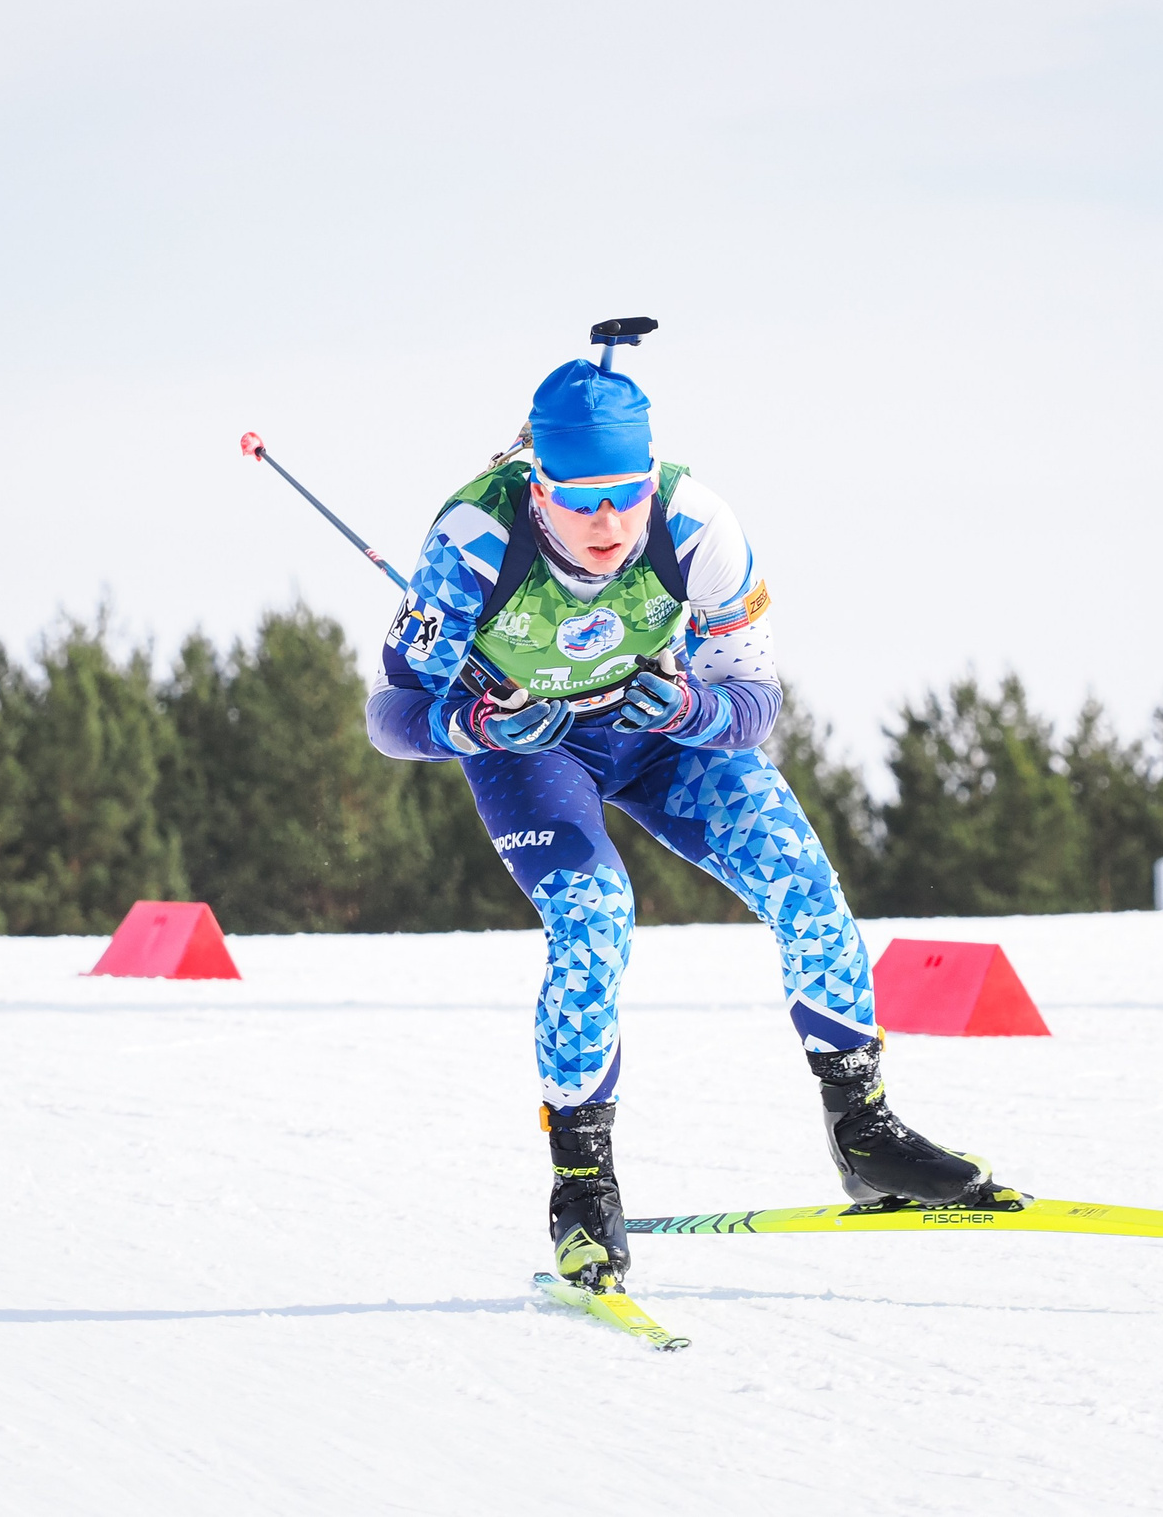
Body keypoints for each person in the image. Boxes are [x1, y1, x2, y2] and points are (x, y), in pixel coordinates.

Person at [366, 354, 998, 1294]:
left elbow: (755, 697)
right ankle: (582, 1185)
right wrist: (477, 723)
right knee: (596, 923)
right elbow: (391, 716)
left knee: (804, 885)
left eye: (626, 494)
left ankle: (864, 1134)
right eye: (581, 500)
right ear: (537, 479)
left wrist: (688, 708)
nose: (609, 524)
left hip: (658, 734)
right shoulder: (471, 539)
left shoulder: (700, 524)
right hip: (532, 750)